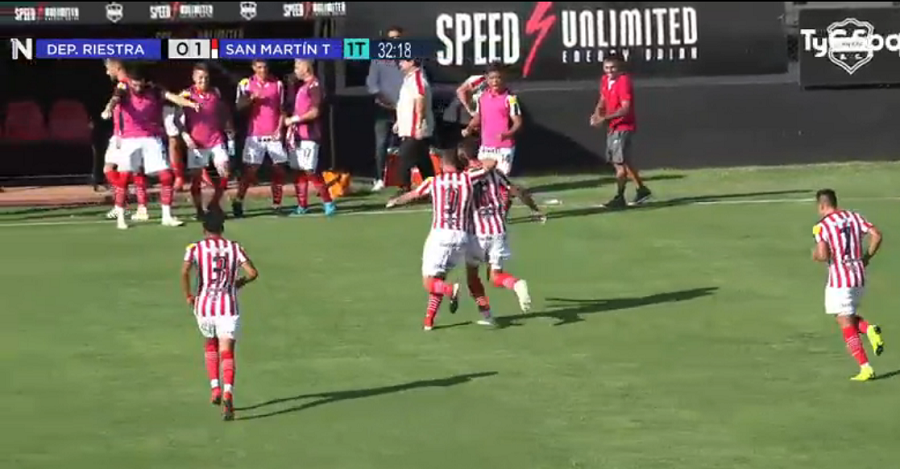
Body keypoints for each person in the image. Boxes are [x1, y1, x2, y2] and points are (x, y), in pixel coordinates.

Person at [385, 151, 491, 331]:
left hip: (441, 235)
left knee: (429, 281)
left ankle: (450, 290)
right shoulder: (468, 178)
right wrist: (474, 163)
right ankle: (429, 321)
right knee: (438, 279)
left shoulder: (434, 181)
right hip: (461, 237)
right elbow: (491, 163)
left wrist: (395, 201)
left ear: (443, 164)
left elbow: (414, 194)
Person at [181, 209, 259, 421]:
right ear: (222, 228)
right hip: (228, 306)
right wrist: (239, 283)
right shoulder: (234, 248)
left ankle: (214, 387)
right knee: (227, 351)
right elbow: (253, 273)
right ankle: (228, 393)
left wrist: (188, 295)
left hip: (205, 305)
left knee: (210, 344)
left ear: (204, 229)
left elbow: (185, 271)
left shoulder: (196, 248)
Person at [105, 65, 197, 229]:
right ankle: (121, 218)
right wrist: (108, 109)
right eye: (134, 84)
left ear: (145, 81)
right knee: (124, 178)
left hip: (151, 138)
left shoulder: (154, 90)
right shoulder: (123, 89)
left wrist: (190, 104)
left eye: (140, 84)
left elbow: (172, 97)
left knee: (166, 176)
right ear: (130, 82)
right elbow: (114, 100)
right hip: (129, 139)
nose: (137, 87)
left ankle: (167, 216)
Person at [461, 147, 544, 326]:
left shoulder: (464, 177)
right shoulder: (495, 173)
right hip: (498, 229)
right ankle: (516, 284)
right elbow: (516, 190)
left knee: (472, 277)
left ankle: (487, 316)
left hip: (476, 233)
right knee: (496, 276)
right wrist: (534, 208)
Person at [811, 189, 885, 381]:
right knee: (846, 317)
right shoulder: (853, 216)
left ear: (822, 205)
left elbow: (824, 255)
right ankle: (868, 330)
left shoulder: (822, 226)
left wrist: (815, 255)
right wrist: (866, 257)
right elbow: (876, 234)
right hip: (859, 276)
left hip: (840, 279)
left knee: (846, 324)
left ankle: (865, 366)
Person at [590, 56, 652, 208]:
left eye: (613, 68)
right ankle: (641, 189)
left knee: (620, 164)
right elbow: (603, 98)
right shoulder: (605, 80)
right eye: (607, 68)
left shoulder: (624, 82)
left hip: (623, 126)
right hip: (613, 126)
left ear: (619, 69)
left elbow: (625, 109)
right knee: (621, 160)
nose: (610, 71)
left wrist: (604, 118)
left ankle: (619, 197)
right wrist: (596, 114)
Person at [232, 59, 288, 218]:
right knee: (250, 171)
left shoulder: (277, 84)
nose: (262, 70)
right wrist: (251, 98)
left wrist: (279, 129)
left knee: (279, 169)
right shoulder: (246, 84)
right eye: (259, 67)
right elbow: (238, 106)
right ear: (253, 68)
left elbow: (282, 109)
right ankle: (238, 200)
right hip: (255, 134)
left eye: (264, 67)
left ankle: (277, 204)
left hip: (273, 133)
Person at [181, 63, 235, 219]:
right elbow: (177, 119)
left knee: (225, 172)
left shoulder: (215, 92)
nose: (203, 81)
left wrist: (229, 130)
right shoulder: (186, 95)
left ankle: (214, 204)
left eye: (206, 77)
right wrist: (185, 136)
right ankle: (199, 211)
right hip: (197, 143)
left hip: (216, 140)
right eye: (200, 78)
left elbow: (223, 113)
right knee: (196, 179)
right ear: (193, 78)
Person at [285, 59, 337, 216]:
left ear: (305, 67)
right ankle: (302, 205)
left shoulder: (314, 85)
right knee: (298, 171)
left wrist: (294, 119)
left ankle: (328, 202)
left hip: (310, 135)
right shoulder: (302, 87)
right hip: (298, 135)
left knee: (310, 170)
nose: (295, 70)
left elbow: (314, 112)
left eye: (297, 66)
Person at [366, 26, 405, 192]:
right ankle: (379, 178)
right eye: (391, 39)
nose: (394, 42)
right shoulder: (378, 60)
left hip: (405, 110)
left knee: (406, 144)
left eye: (397, 38)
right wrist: (390, 103)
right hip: (384, 110)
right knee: (381, 144)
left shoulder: (408, 60)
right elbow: (372, 87)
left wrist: (403, 106)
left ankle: (404, 179)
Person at [394, 58, 435, 193]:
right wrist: (399, 122)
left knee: (405, 156)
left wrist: (418, 125)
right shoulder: (408, 80)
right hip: (408, 126)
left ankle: (404, 187)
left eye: (402, 61)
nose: (400, 63)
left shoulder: (418, 79)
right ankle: (432, 187)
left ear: (411, 62)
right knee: (422, 159)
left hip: (415, 128)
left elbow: (420, 100)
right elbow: (406, 103)